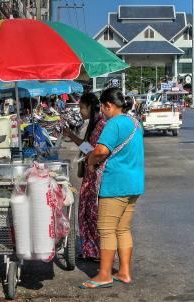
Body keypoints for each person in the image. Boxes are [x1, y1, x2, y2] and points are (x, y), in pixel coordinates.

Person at [80, 88, 144, 289]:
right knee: (122, 228)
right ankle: (124, 272)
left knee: (106, 229)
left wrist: (90, 160)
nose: (102, 111)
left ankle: (105, 274)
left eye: (102, 107)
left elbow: (100, 151)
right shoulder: (135, 122)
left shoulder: (113, 123)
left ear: (108, 105)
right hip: (134, 184)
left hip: (115, 184)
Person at [63, 93, 106, 260]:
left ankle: (99, 251)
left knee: (93, 213)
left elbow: (95, 151)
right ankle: (91, 250)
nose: (80, 111)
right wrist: (71, 135)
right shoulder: (93, 125)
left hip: (96, 175)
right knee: (86, 212)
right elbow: (88, 146)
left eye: (81, 107)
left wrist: (90, 159)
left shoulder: (101, 125)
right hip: (90, 174)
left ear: (90, 106)